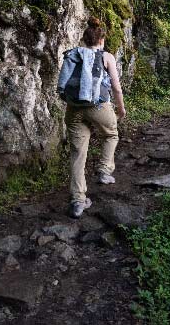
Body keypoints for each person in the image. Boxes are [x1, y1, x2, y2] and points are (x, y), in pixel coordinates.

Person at [61, 17, 126, 218]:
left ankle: (78, 202)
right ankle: (104, 171)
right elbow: (115, 86)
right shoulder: (106, 57)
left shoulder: (73, 54)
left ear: (84, 39)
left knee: (78, 154)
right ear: (101, 40)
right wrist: (121, 109)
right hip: (98, 106)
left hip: (73, 108)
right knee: (111, 134)